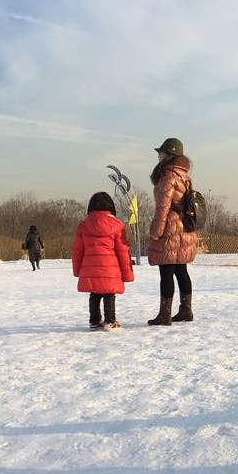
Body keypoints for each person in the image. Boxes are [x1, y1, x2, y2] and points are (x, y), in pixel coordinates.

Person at [147, 138, 197, 325]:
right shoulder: (185, 176)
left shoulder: (168, 176)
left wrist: (156, 231)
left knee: (166, 271)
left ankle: (164, 314)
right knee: (181, 270)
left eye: (161, 153)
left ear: (169, 155)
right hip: (185, 228)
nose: (158, 156)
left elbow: (163, 207)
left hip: (171, 229)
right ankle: (186, 310)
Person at [72, 192, 134, 331]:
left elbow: (77, 250)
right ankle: (110, 321)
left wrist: (77, 271)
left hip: (90, 268)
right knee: (109, 294)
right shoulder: (117, 225)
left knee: (94, 294)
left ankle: (94, 321)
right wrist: (128, 274)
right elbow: (123, 251)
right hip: (110, 268)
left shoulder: (83, 226)